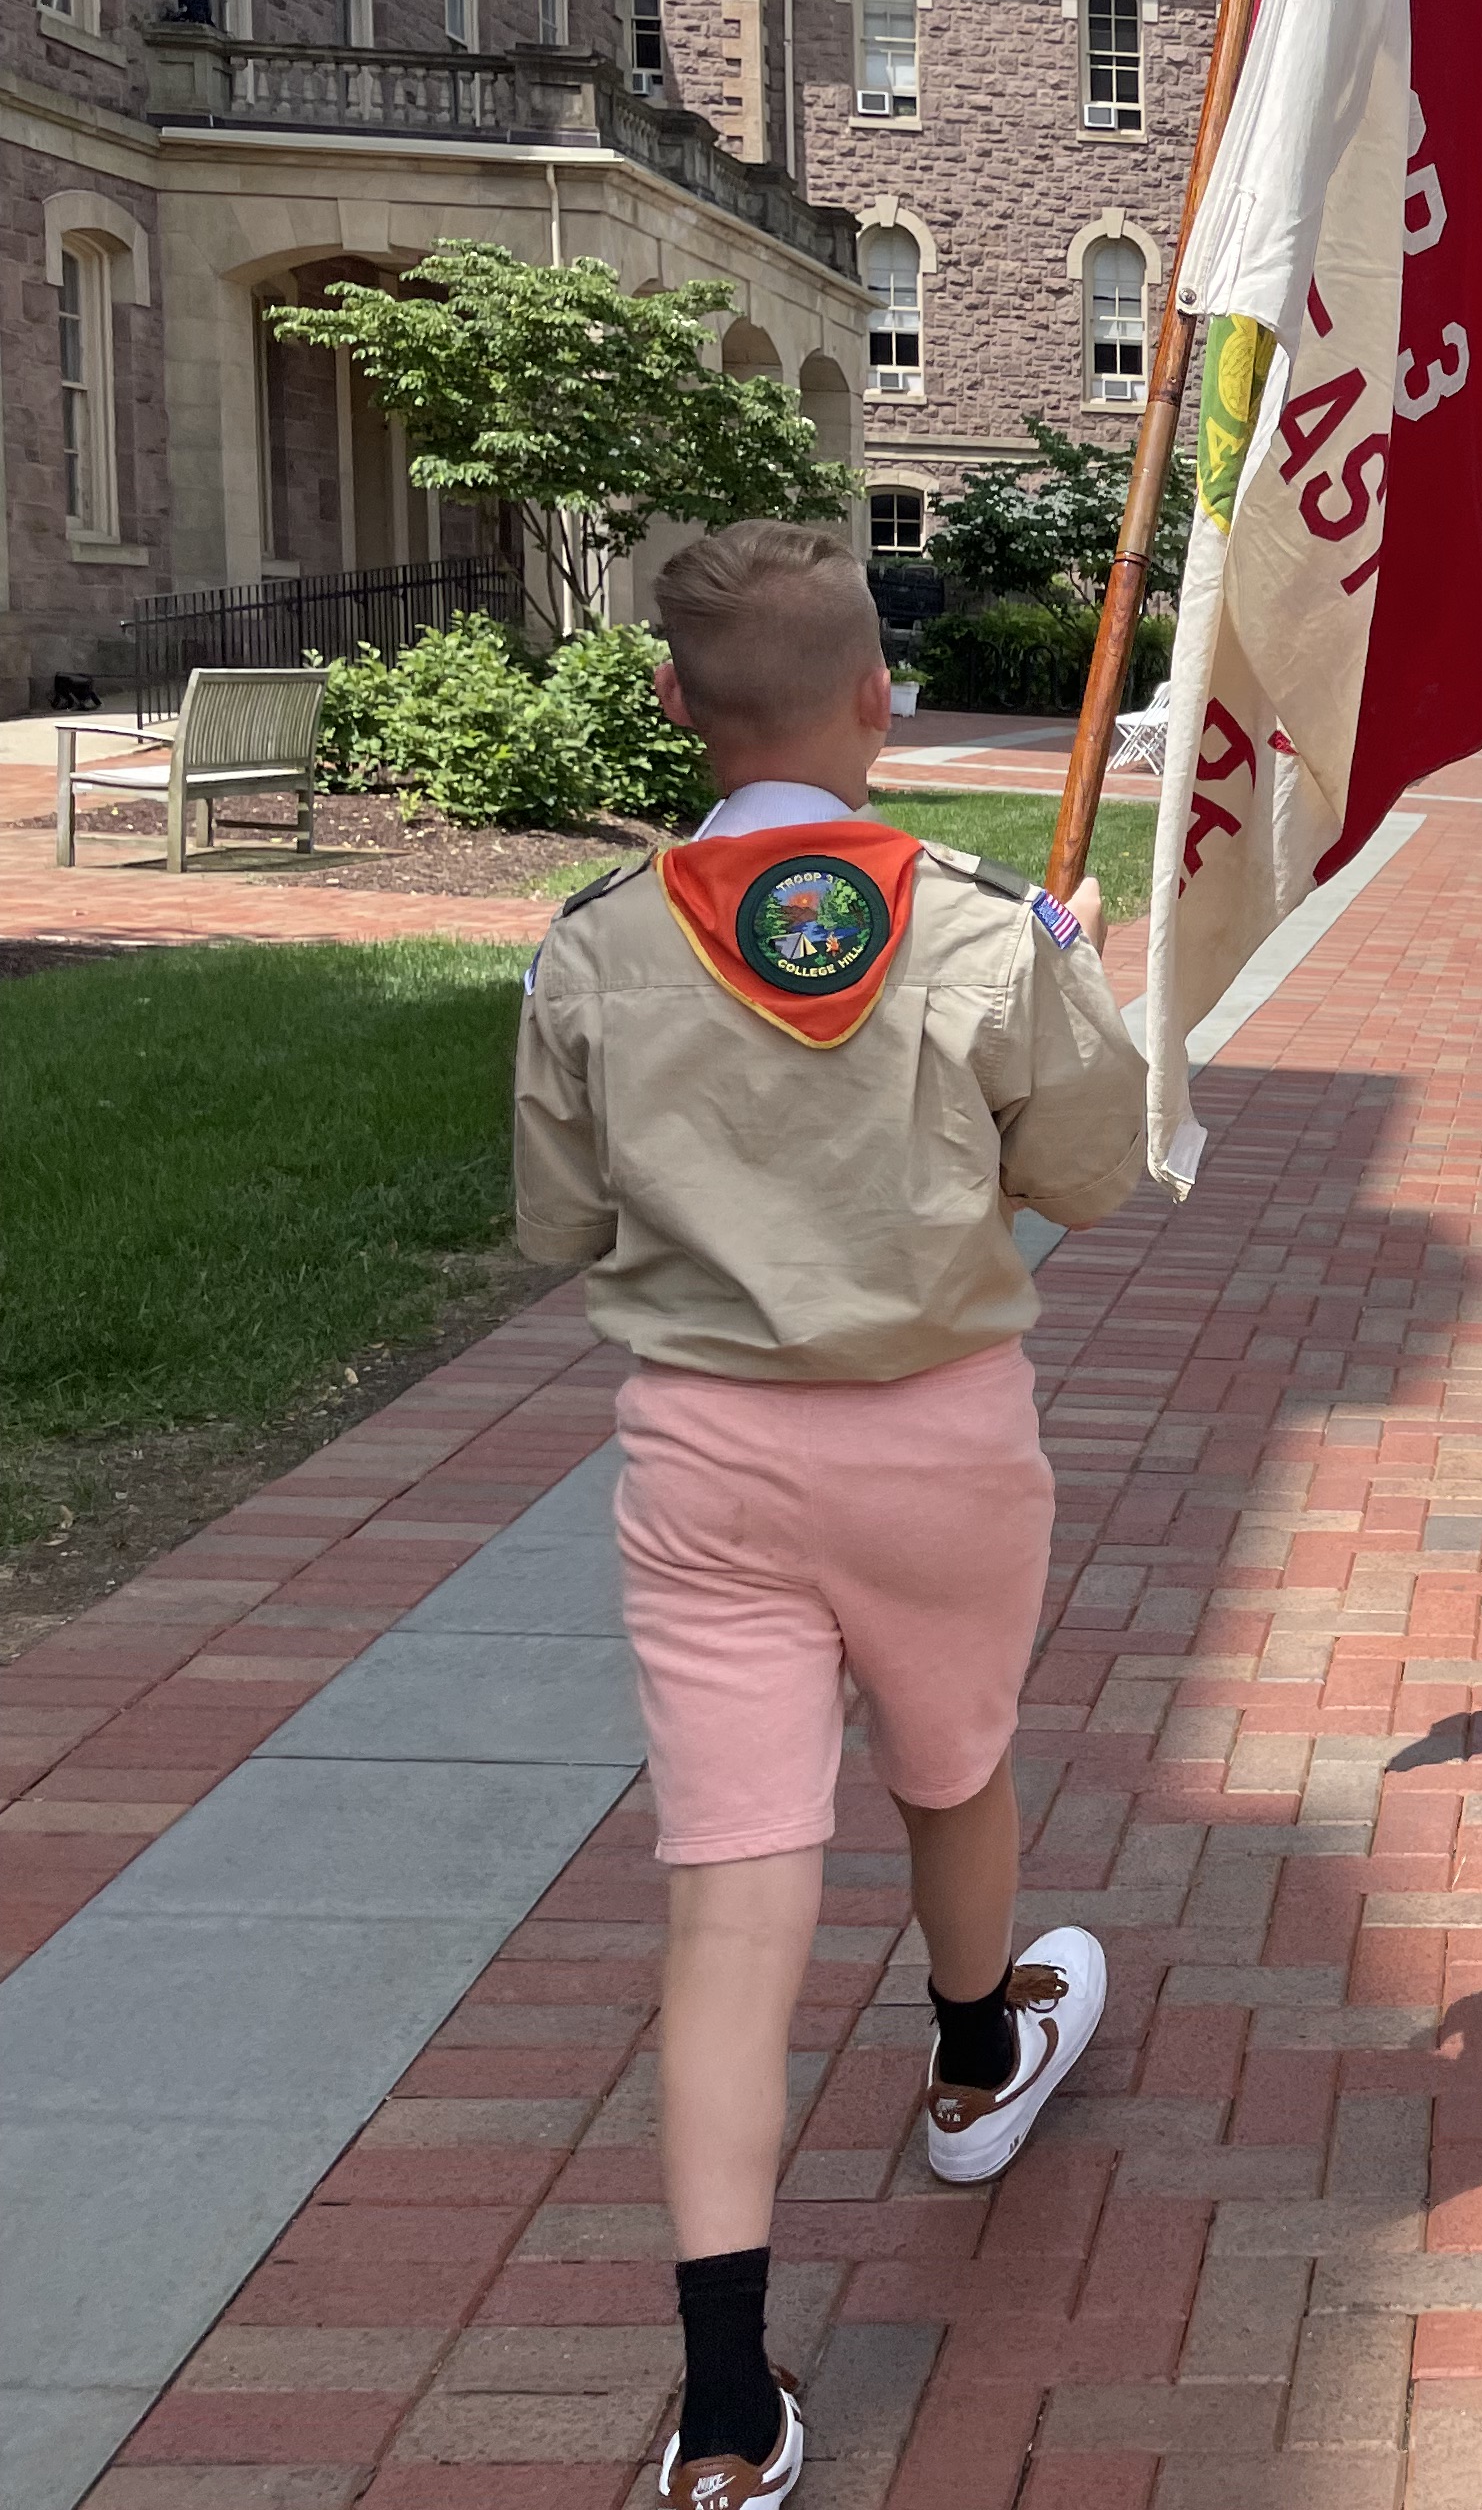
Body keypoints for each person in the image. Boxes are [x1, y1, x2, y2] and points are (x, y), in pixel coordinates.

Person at [513, 520, 1148, 2510]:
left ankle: (724, 2406)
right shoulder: (974, 924)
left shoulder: (600, 937)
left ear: (675, 710)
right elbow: (1099, 1172)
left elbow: (560, 1221)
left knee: (733, 1896)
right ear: (881, 699)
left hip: (707, 1454)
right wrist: (1078, 988)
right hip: (941, 1433)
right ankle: (976, 2064)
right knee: (954, 1770)